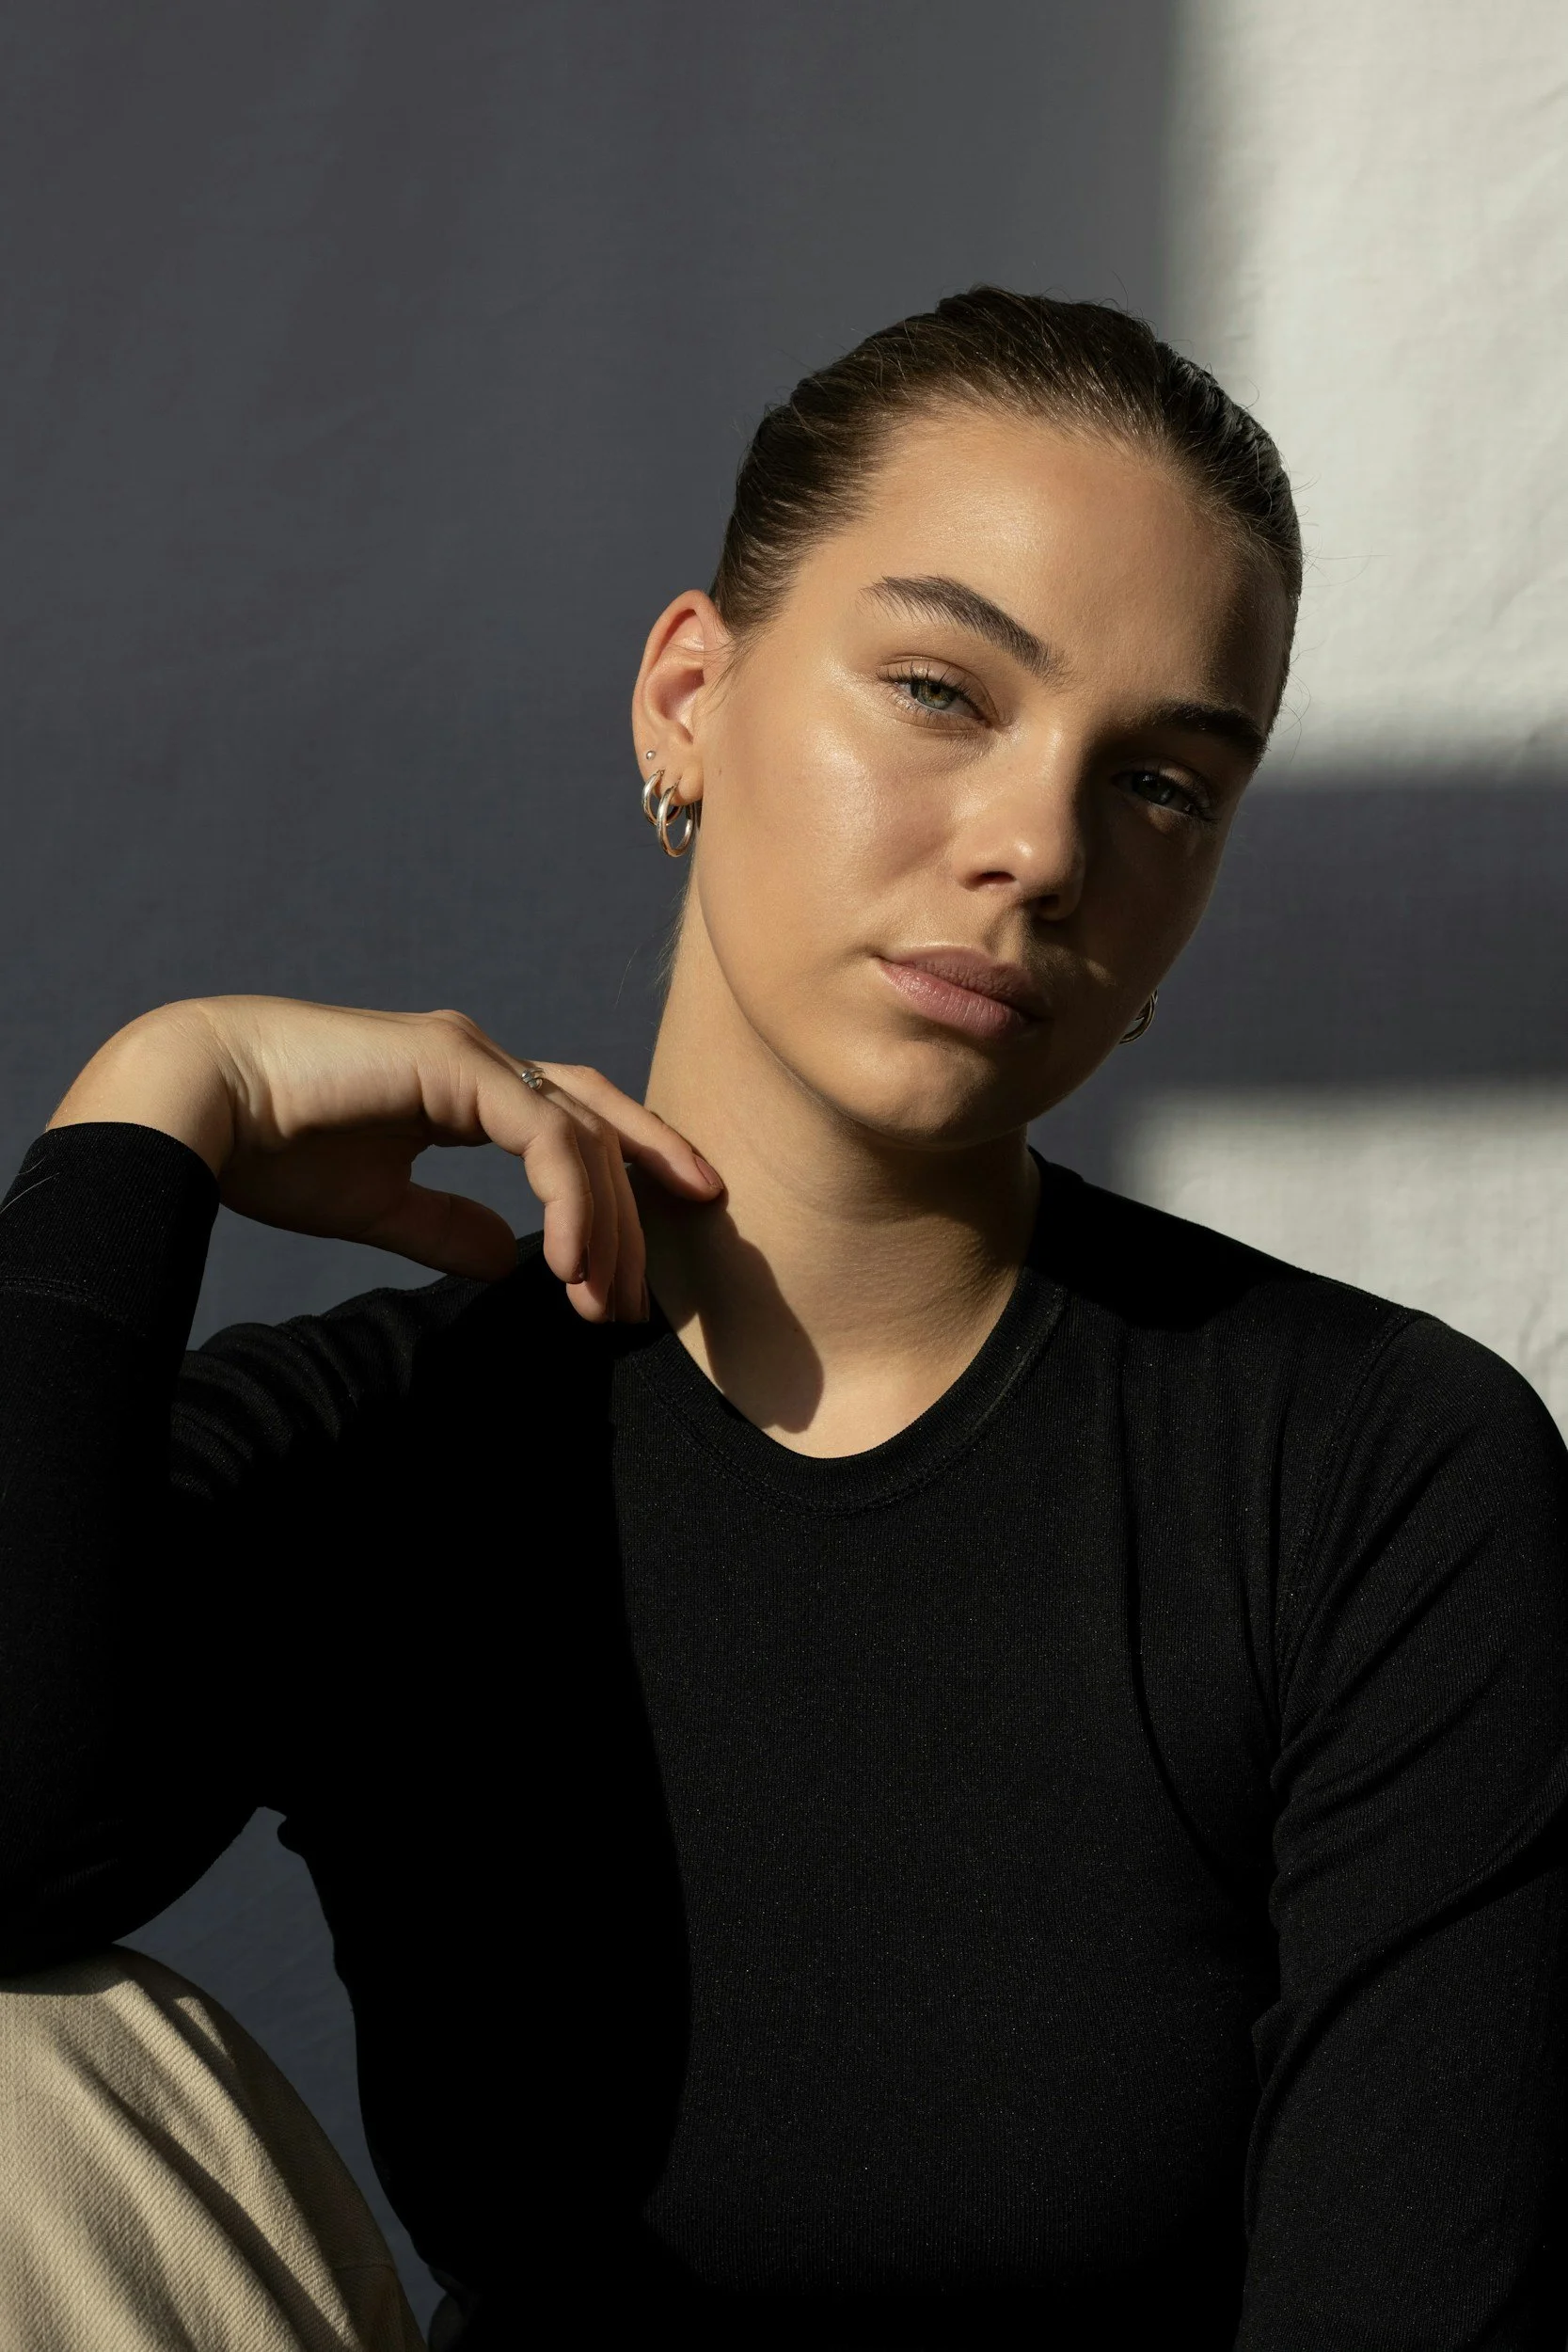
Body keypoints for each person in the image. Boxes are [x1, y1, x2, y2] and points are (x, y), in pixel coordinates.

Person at [0, 289, 1562, 2352]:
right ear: (688, 697)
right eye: (937, 688)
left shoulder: (1365, 1474)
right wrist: (145, 1110)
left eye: (1163, 785)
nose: (1038, 849)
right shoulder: (386, 1445)